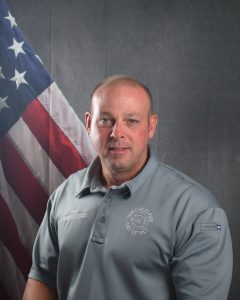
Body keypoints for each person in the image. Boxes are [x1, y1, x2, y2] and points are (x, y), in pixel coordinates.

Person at [23, 75, 233, 300]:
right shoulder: (64, 196)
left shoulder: (196, 211)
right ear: (88, 123)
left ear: (151, 126)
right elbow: (42, 281)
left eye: (131, 121)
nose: (117, 133)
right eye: (105, 120)